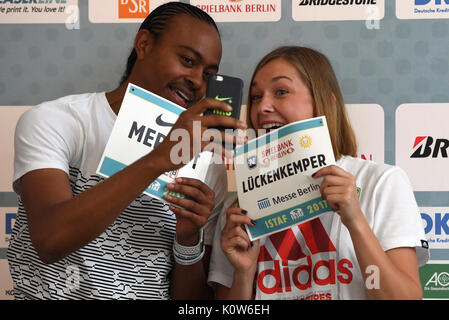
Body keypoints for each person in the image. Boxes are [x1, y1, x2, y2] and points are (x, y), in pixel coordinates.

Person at [7, 2, 246, 300]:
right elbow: (50, 239)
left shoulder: (207, 165)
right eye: (186, 60)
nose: (198, 81)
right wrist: (159, 159)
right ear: (144, 44)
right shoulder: (57, 120)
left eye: (209, 75)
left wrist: (188, 239)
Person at [208, 46, 429, 300]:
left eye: (281, 92)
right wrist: (244, 274)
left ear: (325, 101)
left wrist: (355, 221)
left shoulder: (380, 182)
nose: (263, 107)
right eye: (256, 96)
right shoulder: (239, 204)